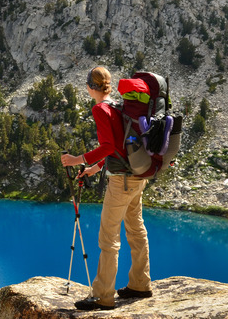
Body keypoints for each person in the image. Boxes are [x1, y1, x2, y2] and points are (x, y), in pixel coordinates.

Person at [60, 66, 152, 311]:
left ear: (91, 87)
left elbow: (109, 145)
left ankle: (103, 296)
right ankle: (140, 284)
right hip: (137, 176)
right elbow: (120, 146)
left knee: (108, 238)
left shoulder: (100, 109)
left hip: (121, 182)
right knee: (136, 228)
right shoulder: (118, 106)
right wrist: (97, 168)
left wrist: (78, 159)